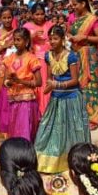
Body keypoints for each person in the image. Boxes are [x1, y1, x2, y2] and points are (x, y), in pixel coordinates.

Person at [34, 26, 91, 174]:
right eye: (50, 39)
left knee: (73, 129)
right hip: (56, 97)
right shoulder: (48, 56)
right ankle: (50, 162)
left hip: (71, 97)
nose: (52, 41)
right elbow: (49, 78)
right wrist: (48, 87)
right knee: (51, 128)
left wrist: (57, 85)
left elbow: (74, 80)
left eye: (55, 38)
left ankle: (76, 161)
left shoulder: (71, 56)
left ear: (62, 39)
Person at [69, 0, 98, 128]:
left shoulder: (92, 19)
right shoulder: (73, 17)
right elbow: (69, 32)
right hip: (75, 54)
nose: (73, 7)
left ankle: (92, 118)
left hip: (89, 56)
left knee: (90, 85)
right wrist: (70, 37)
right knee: (76, 84)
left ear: (83, 4)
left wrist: (84, 37)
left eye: (75, 4)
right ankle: (78, 116)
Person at [0, 28, 43, 141]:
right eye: (14, 40)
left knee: (25, 132)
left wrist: (20, 81)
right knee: (14, 131)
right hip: (13, 101)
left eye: (19, 40)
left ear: (27, 41)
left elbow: (39, 82)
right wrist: (10, 82)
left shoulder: (31, 59)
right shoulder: (9, 58)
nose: (16, 42)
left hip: (27, 102)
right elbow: (5, 82)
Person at [23, 3, 55, 112]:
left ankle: (47, 110)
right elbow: (21, 43)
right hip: (33, 60)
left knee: (47, 84)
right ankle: (37, 111)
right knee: (36, 85)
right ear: (32, 15)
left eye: (42, 14)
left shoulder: (50, 25)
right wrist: (32, 37)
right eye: (37, 14)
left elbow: (56, 40)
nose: (40, 17)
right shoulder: (27, 27)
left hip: (49, 60)